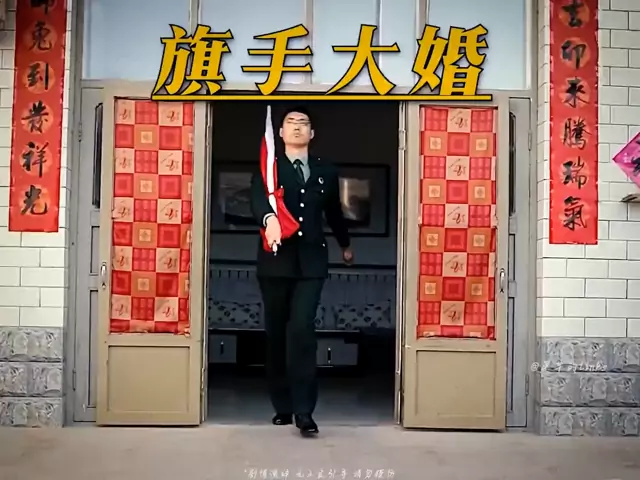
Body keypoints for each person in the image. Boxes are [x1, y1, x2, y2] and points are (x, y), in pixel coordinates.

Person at [250, 106, 352, 436]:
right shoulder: (269, 167)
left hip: (311, 262)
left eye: (303, 123)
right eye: (291, 123)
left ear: (312, 133)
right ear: (280, 133)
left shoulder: (326, 170)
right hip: (276, 261)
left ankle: (304, 411)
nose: (297, 128)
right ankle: (283, 404)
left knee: (302, 331)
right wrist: (269, 219)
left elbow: (333, 211)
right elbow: (258, 201)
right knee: (277, 334)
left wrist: (345, 243)